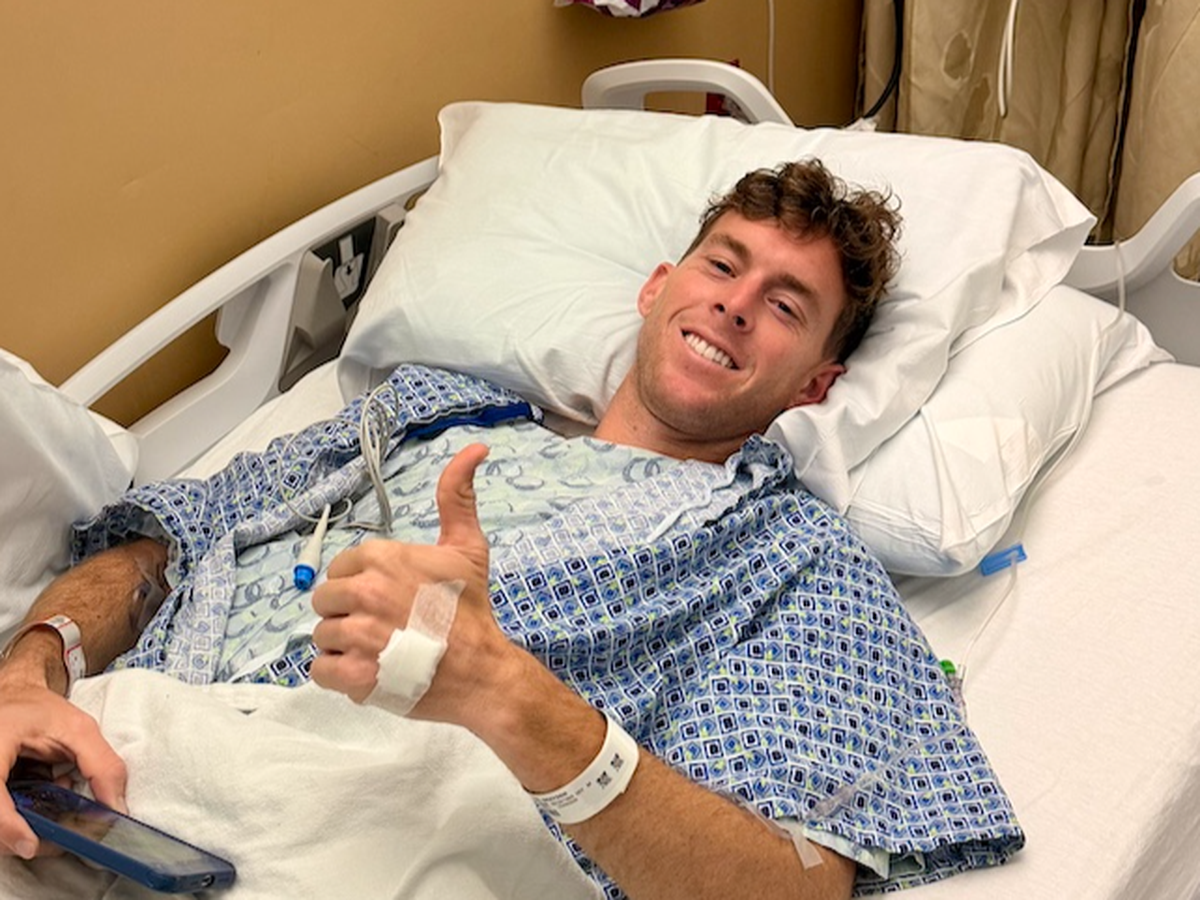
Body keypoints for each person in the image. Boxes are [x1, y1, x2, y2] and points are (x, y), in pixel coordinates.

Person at [0, 160, 1020, 898]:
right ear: (657, 287)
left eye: (786, 306)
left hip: (371, 833)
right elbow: (168, 539)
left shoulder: (791, 558)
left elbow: (794, 882)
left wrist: (504, 692)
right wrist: (31, 674)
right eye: (722, 265)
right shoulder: (427, 409)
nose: (736, 305)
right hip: (88, 779)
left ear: (817, 384)